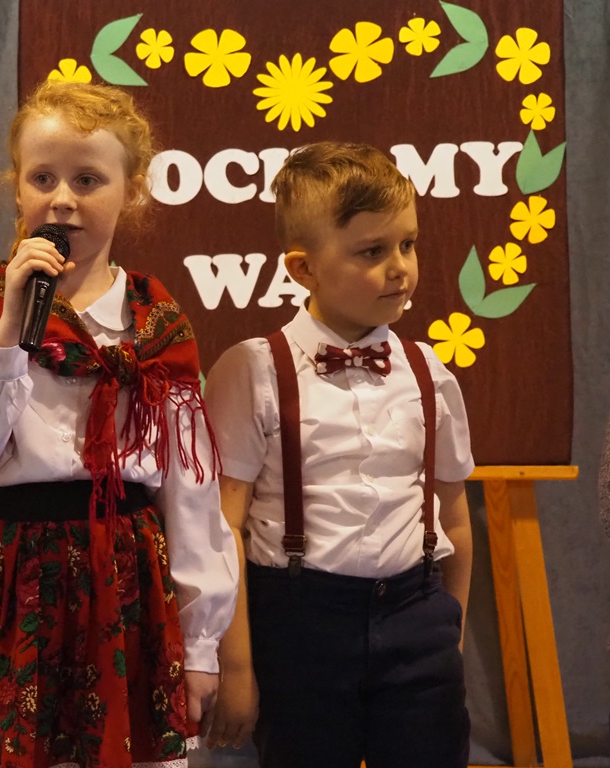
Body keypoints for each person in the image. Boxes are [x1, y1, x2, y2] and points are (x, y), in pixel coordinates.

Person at [0, 80, 238, 768]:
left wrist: (201, 646)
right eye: (43, 178)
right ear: (18, 188)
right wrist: (10, 331)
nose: (62, 199)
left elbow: (191, 494)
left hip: (126, 583)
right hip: (12, 576)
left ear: (133, 191)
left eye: (88, 179)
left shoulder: (156, 323)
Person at [203, 142, 474, 767]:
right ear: (303, 269)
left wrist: (449, 634)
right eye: (372, 251)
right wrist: (236, 666)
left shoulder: (428, 371)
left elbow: (455, 517)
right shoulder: (253, 370)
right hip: (300, 625)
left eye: (408, 244)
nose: (400, 268)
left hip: (417, 617)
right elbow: (223, 527)